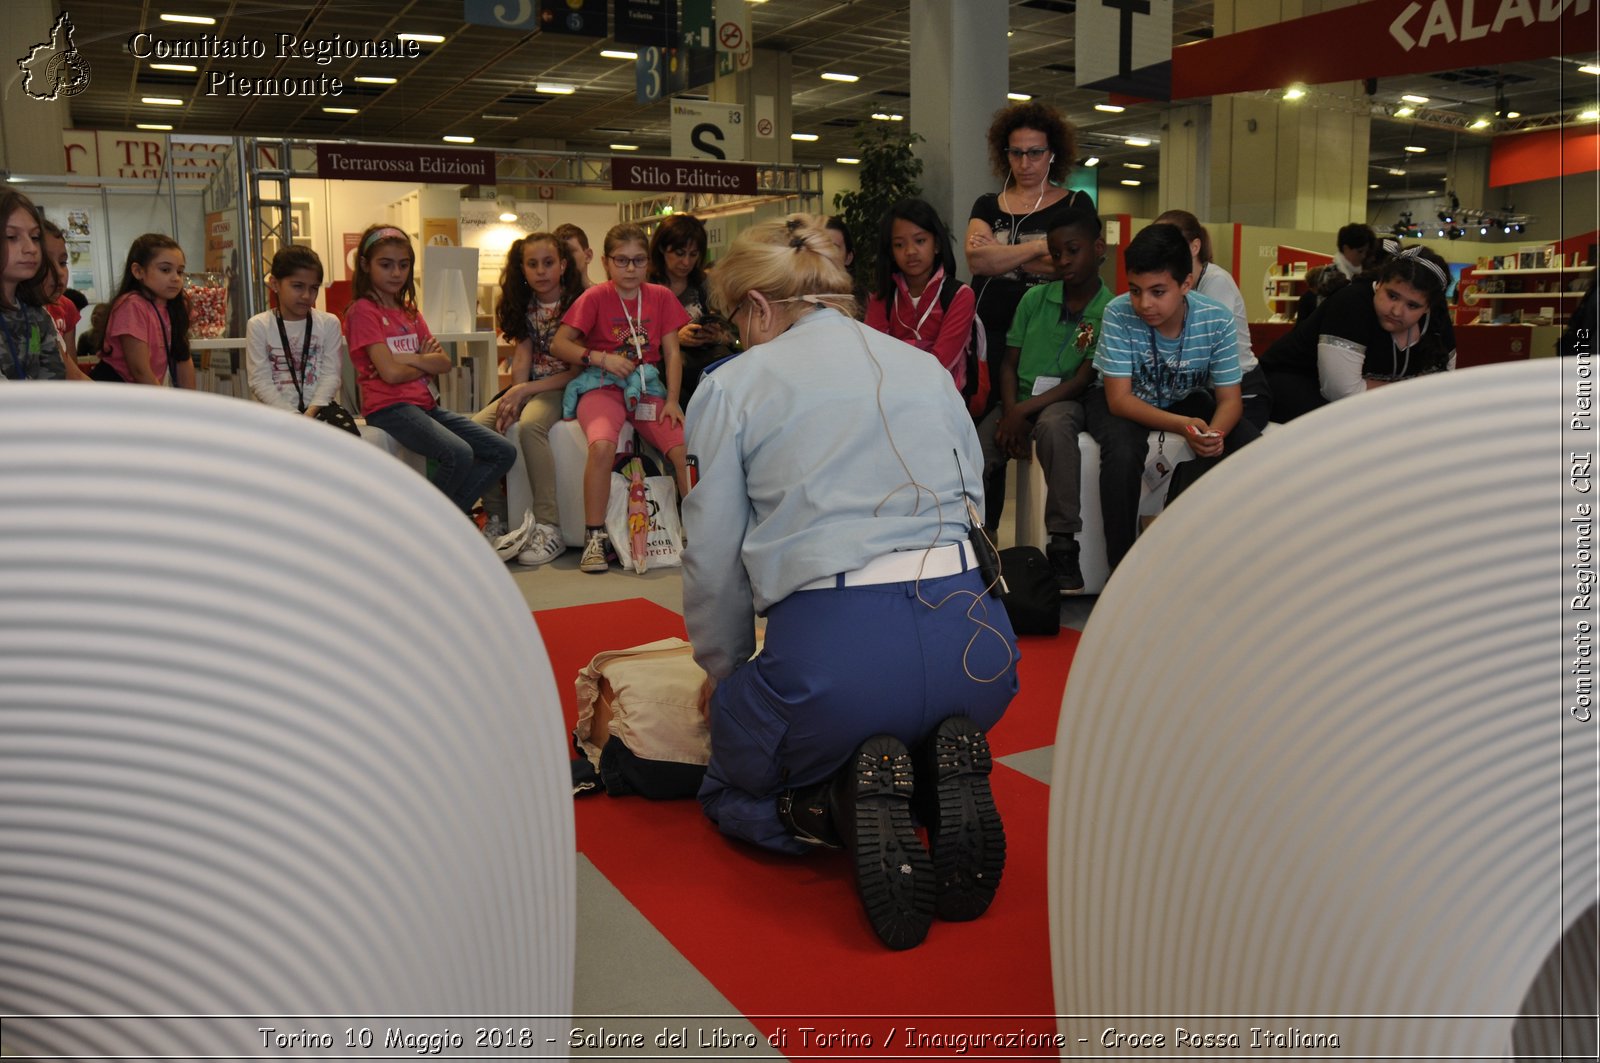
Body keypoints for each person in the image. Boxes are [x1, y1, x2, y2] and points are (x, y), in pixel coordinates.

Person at [683, 214, 1018, 950]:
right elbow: (976, 506)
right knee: (901, 707)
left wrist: (727, 672)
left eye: (739, 320)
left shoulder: (733, 384)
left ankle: (837, 802)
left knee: (729, 777)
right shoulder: (924, 367)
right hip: (980, 649)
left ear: (760, 307)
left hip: (840, 664)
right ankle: (928, 781)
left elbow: (710, 557)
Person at [1086, 223, 1261, 573]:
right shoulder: (1118, 313)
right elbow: (1119, 400)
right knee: (1122, 451)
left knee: (1248, 444)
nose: (1144, 303)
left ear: (1186, 284)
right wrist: (1183, 426)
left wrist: (1214, 435)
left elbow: (1230, 401)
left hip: (1184, 398)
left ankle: (1232, 560)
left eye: (1157, 291)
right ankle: (1121, 572)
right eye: (1135, 290)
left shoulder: (1216, 319)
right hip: (1121, 400)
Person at [965, 100, 1093, 524]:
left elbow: (1071, 265)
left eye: (1035, 152)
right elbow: (977, 262)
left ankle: (1057, 538)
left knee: (1027, 425)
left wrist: (1003, 254)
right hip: (987, 335)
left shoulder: (1073, 203)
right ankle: (986, 536)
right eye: (1016, 152)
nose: (1025, 162)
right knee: (983, 439)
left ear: (1052, 153)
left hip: (1048, 338)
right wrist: (1041, 248)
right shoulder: (988, 203)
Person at [979, 207, 1111, 594]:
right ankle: (981, 545)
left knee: (1055, 428)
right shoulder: (1034, 299)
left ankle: (1063, 544)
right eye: (1056, 253)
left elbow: (1084, 377)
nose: (1064, 261)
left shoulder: (1110, 308)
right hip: (1014, 400)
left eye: (1074, 250)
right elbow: (1009, 362)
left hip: (1064, 401)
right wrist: (1010, 412)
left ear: (1098, 247)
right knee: (978, 451)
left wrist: (1023, 412)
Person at [343, 223, 516, 516]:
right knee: (459, 454)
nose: (396, 273)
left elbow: (444, 364)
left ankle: (446, 520)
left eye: (403, 265)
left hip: (425, 405)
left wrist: (406, 359)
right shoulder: (363, 311)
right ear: (365, 265)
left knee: (503, 451)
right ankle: (427, 522)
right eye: (386, 265)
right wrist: (421, 361)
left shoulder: (409, 309)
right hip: (390, 408)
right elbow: (391, 375)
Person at [551, 223, 691, 574]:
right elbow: (560, 343)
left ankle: (702, 534)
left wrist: (672, 400)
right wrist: (600, 357)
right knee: (601, 445)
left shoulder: (660, 296)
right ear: (605, 262)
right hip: (602, 387)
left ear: (648, 262)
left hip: (647, 389)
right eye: (622, 261)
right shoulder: (596, 297)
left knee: (685, 452)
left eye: (638, 261)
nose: (630, 269)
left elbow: (673, 353)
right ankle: (594, 536)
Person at [471, 232, 584, 565]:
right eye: (532, 264)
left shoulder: (578, 303)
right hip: (532, 386)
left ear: (563, 265)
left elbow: (577, 371)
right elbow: (522, 358)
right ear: (521, 268)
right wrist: (514, 397)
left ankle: (550, 525)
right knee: (479, 426)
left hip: (564, 385)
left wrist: (524, 392)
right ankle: (497, 518)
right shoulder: (526, 303)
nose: (540, 271)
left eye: (548, 263)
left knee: (531, 426)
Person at [1261, 245, 1456, 423]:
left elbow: (1438, 389)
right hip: (1290, 385)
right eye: (1392, 296)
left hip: (1364, 405)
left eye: (1412, 305)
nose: (1396, 311)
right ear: (1379, 283)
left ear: (1428, 307)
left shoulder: (1437, 320)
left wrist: (1373, 387)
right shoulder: (1351, 303)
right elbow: (1343, 393)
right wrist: (1411, 390)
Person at [1154, 209, 1272, 431]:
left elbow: (1203, 348)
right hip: (1207, 392)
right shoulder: (1178, 284)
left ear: (1194, 247)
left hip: (1244, 392)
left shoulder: (1216, 282)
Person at [864, 197, 976, 392]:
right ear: (890, 251)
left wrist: (903, 350)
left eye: (920, 240)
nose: (910, 251)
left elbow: (941, 363)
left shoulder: (959, 295)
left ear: (937, 245)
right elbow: (874, 358)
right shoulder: (882, 298)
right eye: (899, 245)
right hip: (892, 397)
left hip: (943, 399)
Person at [246, 246, 345, 418]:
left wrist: (310, 413)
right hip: (274, 414)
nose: (307, 295)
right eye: (298, 286)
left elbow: (331, 376)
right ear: (275, 283)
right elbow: (259, 381)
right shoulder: (259, 325)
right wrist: (294, 416)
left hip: (320, 411)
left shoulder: (329, 323)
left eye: (314, 288)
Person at [647, 213, 731, 406]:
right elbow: (630, 337)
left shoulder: (705, 284)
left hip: (704, 366)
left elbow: (733, 332)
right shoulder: (646, 286)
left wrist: (716, 335)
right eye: (679, 253)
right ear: (661, 248)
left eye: (693, 255)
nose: (686, 262)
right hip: (662, 375)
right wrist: (674, 339)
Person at [89, 233, 194, 388]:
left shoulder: (175, 306)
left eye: (179, 271)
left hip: (142, 391)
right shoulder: (132, 305)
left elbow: (183, 358)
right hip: (115, 389)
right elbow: (139, 370)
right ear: (138, 271)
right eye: (165, 270)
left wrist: (190, 405)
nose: (176, 278)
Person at [0, 190, 68, 382]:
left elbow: (54, 379)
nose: (30, 248)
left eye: (35, 237)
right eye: (12, 237)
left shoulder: (36, 314)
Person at [38, 218, 89, 380]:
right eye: (45, 263)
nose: (60, 272)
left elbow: (72, 373)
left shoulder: (41, 315)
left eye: (62, 262)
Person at [823, 215, 867, 316]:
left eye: (834, 247)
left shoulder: (867, 302)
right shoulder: (795, 298)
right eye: (821, 246)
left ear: (848, 257)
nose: (827, 253)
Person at [555, 223, 596, 290]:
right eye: (560, 252)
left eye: (570, 251)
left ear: (588, 256)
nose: (564, 257)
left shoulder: (602, 296)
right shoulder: (549, 298)